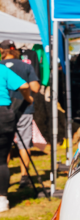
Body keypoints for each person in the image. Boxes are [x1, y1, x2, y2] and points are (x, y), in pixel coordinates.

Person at [0, 40, 40, 188]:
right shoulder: (26, 65)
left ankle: (3, 177)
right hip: (23, 109)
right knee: (24, 142)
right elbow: (35, 88)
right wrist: (27, 96)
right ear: (15, 50)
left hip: (3, 111)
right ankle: (24, 177)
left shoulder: (1, 67)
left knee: (4, 145)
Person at [0, 61, 34, 212]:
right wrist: (27, 99)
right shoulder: (2, 69)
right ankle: (2, 199)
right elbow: (25, 86)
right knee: (1, 161)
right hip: (3, 114)